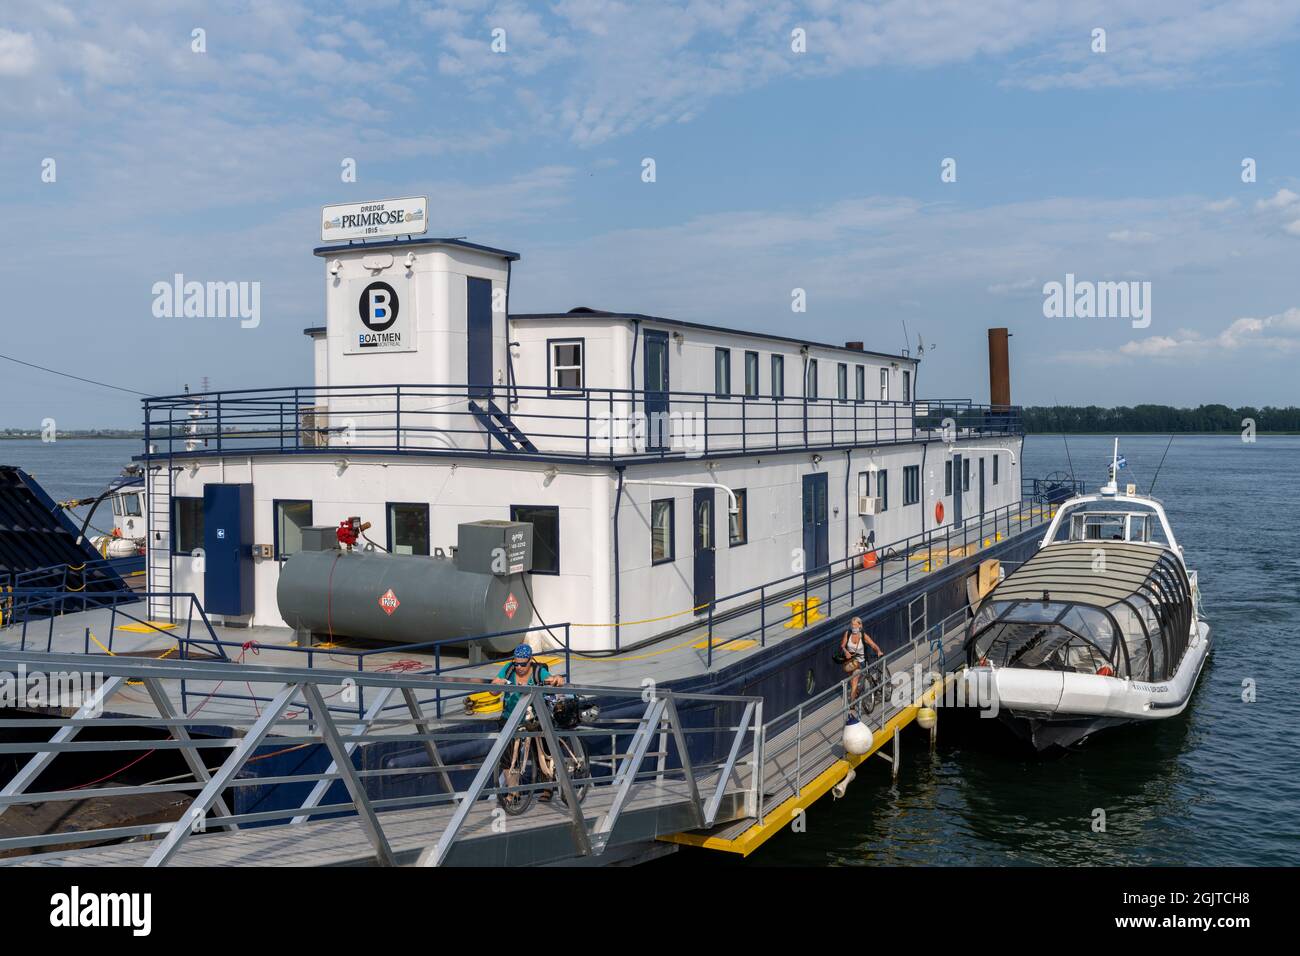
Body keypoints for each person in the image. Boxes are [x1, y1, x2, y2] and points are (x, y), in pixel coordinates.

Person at [491, 643, 564, 799]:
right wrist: (497, 685)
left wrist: (557, 679)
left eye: (523, 664)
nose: (519, 667)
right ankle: (513, 792)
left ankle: (548, 787)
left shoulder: (538, 671)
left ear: (530, 660)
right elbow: (493, 689)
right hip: (510, 716)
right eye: (516, 663)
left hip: (534, 715)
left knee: (543, 749)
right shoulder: (509, 669)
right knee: (508, 756)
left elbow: (551, 679)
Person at [840, 617, 883, 701]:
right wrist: (846, 651)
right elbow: (842, 646)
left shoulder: (863, 635)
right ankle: (857, 695)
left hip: (861, 662)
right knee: (852, 683)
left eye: (855, 625)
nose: (853, 627)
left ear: (860, 626)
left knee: (855, 680)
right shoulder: (847, 634)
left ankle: (852, 705)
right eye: (852, 625)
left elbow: (872, 644)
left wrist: (878, 651)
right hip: (850, 662)